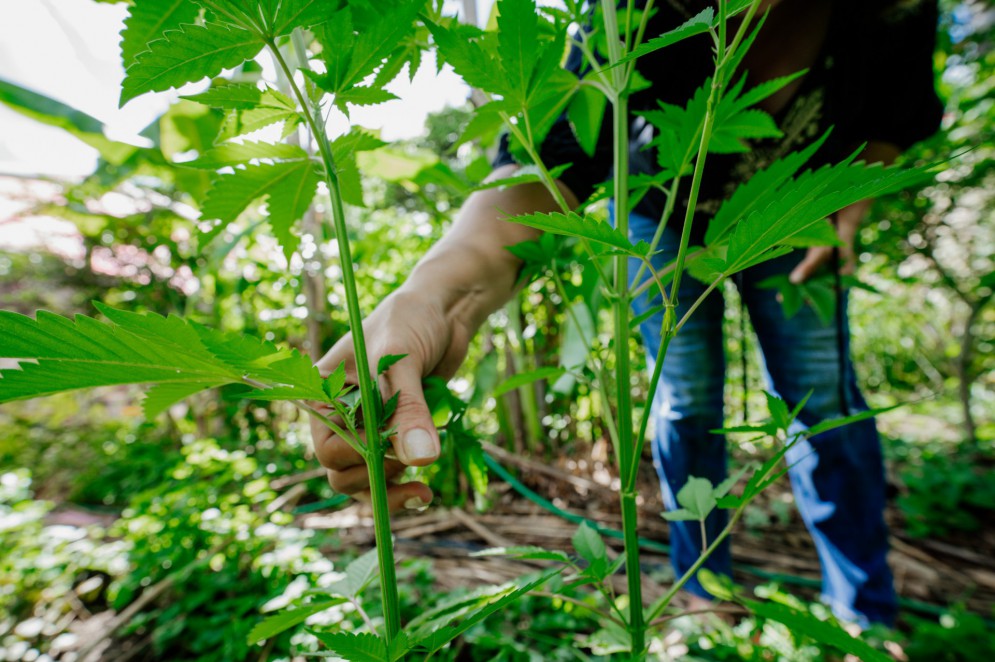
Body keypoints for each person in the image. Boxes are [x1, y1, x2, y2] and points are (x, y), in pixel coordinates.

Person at [310, 0, 942, 628]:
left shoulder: (896, 9)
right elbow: (527, 188)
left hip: (796, 209)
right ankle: (700, 587)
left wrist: (851, 203)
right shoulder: (626, 15)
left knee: (822, 400)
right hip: (654, 209)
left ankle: (866, 612)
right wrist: (428, 298)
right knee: (685, 394)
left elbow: (892, 109)